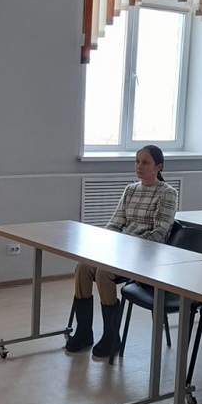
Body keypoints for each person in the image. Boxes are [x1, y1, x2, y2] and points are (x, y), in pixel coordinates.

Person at [67, 145, 178, 359]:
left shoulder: (167, 193)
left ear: (159, 167)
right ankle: (84, 331)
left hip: (145, 255)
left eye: (145, 162)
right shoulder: (130, 189)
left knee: (103, 273)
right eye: (137, 161)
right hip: (120, 250)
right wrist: (104, 242)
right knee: (82, 268)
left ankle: (111, 336)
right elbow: (115, 223)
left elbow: (159, 233)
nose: (139, 166)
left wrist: (127, 248)